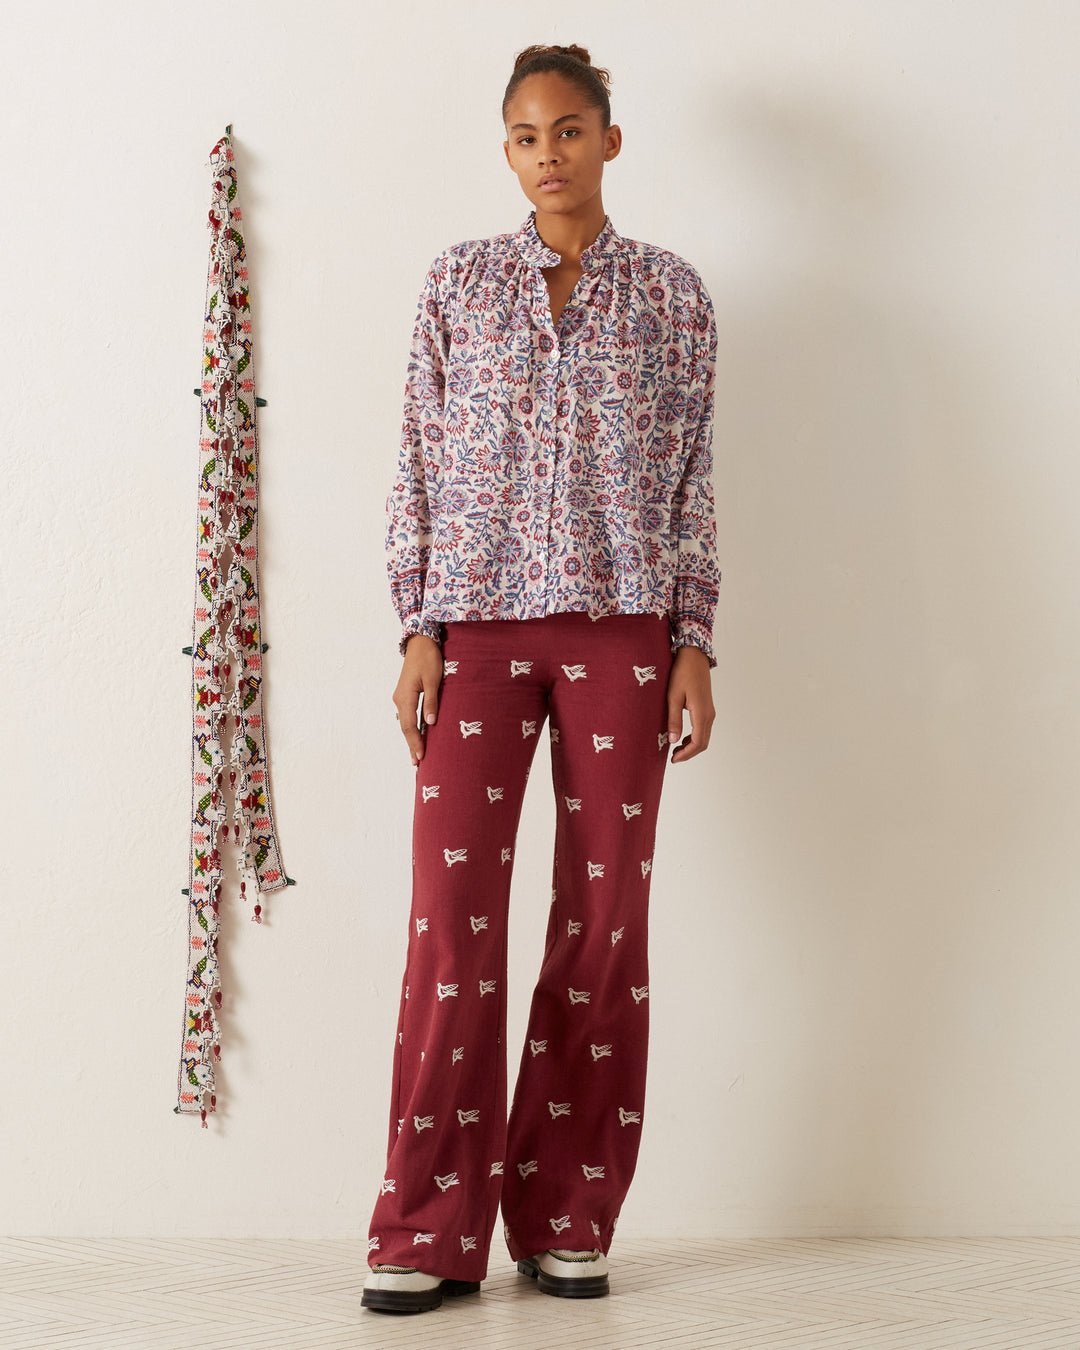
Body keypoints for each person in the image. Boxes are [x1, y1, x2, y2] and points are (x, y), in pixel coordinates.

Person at [361, 42, 720, 1316]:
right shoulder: (458, 283)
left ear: (610, 139)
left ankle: (568, 1214)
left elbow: (689, 481)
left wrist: (693, 641)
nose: (548, 152)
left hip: (623, 631)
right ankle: (422, 1229)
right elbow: (416, 450)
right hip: (478, 634)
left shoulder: (674, 297)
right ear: (506, 151)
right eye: (525, 135)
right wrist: (418, 628)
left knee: (604, 918)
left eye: (569, 129)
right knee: (449, 928)